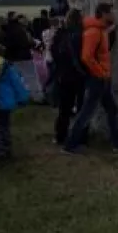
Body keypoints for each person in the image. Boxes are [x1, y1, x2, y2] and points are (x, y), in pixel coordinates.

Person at [63, 3, 118, 155]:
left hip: (102, 77)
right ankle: (70, 144)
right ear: (104, 14)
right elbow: (87, 56)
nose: (114, 15)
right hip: (97, 79)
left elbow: (102, 51)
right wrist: (99, 72)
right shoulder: (93, 32)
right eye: (111, 12)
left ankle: (117, 143)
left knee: (111, 109)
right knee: (87, 112)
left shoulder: (100, 30)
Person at [0, 42, 29, 167]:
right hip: (5, 101)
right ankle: (5, 149)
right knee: (3, 126)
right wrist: (23, 98)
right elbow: (17, 84)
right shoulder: (7, 67)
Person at [50, 9, 85, 147]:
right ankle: (81, 137)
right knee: (82, 108)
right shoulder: (80, 35)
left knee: (64, 109)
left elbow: (53, 53)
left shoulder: (60, 34)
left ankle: (60, 136)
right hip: (78, 75)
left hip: (63, 75)